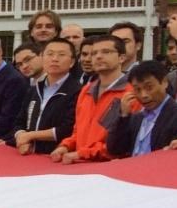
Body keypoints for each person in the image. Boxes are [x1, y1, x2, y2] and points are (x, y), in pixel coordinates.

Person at [51, 34, 132, 164]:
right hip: (78, 164)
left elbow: (123, 141)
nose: (98, 56)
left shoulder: (130, 92)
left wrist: (81, 153)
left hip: (108, 168)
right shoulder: (86, 90)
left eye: (106, 52)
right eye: (94, 53)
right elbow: (77, 131)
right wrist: (65, 146)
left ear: (121, 58)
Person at [8, 38, 81, 155]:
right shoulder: (34, 89)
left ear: (72, 62)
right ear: (42, 58)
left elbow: (68, 129)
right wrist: (21, 137)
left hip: (57, 156)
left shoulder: (78, 91)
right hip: (29, 155)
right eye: (50, 54)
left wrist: (30, 136)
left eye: (61, 55)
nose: (54, 59)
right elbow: (19, 121)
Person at [104, 60, 177, 158]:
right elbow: (114, 149)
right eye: (137, 89)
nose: (143, 95)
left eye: (149, 87)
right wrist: (123, 116)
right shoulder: (135, 118)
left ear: (164, 82)